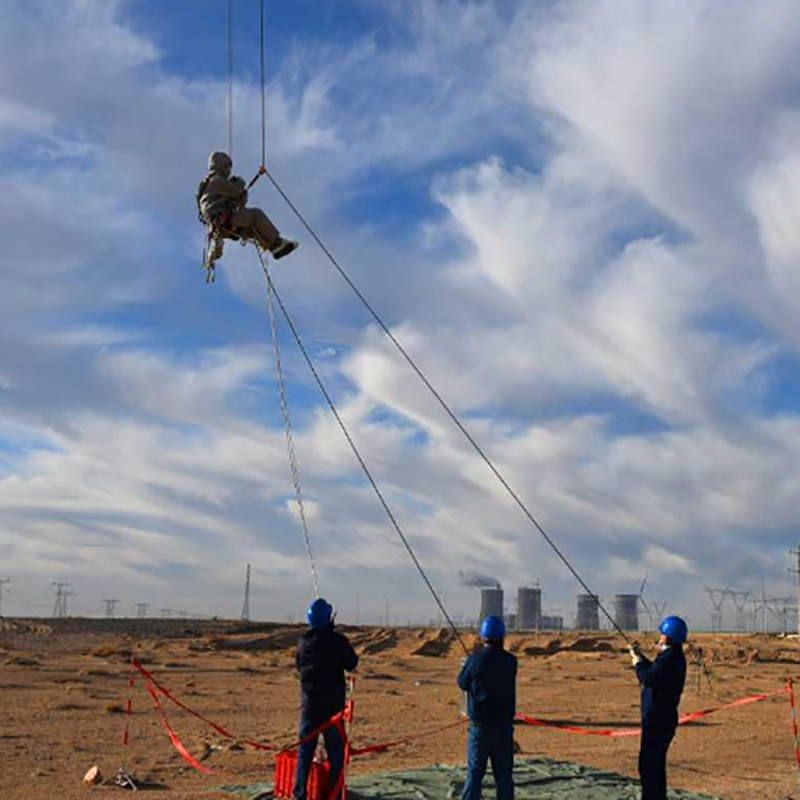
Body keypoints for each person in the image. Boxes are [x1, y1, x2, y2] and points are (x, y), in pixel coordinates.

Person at [293, 598, 358, 800]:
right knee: (335, 754)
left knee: (305, 752)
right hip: (332, 710)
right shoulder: (337, 642)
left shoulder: (303, 642)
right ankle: (334, 794)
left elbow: (298, 665)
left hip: (310, 707)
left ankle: (300, 793)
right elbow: (352, 662)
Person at [457, 615, 517, 800]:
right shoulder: (510, 661)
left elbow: (462, 683)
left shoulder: (475, 661)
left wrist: (471, 664)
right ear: (502, 637)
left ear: (483, 637)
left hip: (480, 729)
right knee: (504, 777)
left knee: (475, 774)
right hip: (503, 729)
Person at [197, 151, 299, 259]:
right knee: (255, 215)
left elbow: (241, 199)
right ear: (220, 166)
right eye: (227, 167)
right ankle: (277, 242)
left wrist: (238, 192)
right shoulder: (216, 181)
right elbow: (238, 191)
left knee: (252, 228)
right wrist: (240, 182)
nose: (229, 171)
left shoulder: (210, 184)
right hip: (223, 220)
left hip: (222, 224)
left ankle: (274, 248)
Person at [629, 616, 688, 800]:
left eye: (663, 633)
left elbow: (648, 677)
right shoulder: (672, 656)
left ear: (669, 636)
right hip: (661, 719)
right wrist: (640, 656)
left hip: (657, 720)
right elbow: (655, 670)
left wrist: (637, 662)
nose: (660, 636)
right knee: (654, 766)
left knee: (649, 766)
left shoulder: (669, 658)